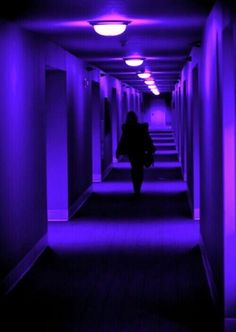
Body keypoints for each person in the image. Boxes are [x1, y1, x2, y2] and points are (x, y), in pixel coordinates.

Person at [116, 111, 155, 196]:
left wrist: (119, 151)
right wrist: (150, 149)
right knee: (138, 169)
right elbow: (147, 138)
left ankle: (136, 187)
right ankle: (137, 187)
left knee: (135, 168)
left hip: (133, 152)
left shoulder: (128, 128)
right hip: (138, 151)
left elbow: (123, 140)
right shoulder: (138, 127)